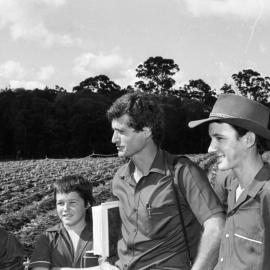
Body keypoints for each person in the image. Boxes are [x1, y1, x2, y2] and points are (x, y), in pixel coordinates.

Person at [106, 92, 225, 270]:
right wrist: (105, 262)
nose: (113, 139)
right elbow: (117, 231)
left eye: (121, 132)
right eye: (114, 131)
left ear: (146, 131)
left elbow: (217, 227)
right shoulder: (120, 178)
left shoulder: (182, 172)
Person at [188, 93, 270, 270]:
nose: (211, 148)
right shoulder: (232, 187)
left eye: (220, 138)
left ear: (248, 140)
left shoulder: (267, 194)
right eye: (211, 139)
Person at [29, 175, 100, 270]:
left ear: (87, 204)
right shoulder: (48, 238)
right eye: (60, 203)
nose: (65, 209)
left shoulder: (102, 234)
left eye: (72, 202)